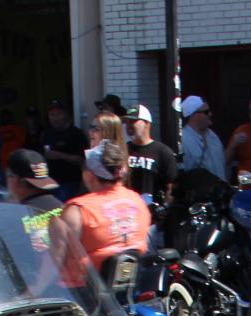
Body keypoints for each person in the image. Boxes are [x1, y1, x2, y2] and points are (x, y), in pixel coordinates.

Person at [63, 141, 151, 285]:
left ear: (89, 176)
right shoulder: (138, 202)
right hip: (130, 287)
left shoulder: (79, 210)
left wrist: (34, 287)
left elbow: (55, 259)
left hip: (82, 292)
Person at [124, 103, 178, 216]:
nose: (128, 125)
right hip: (126, 214)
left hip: (152, 216)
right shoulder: (122, 150)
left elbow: (171, 188)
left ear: (146, 123)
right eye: (127, 122)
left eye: (133, 121)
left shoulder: (163, 152)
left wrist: (163, 212)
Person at [36, 100, 89, 196]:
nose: (55, 118)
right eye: (52, 115)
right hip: (48, 184)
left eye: (59, 114)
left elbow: (83, 161)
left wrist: (61, 156)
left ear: (66, 115)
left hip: (70, 183)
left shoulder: (76, 134)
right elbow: (39, 159)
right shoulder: (46, 134)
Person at [175, 95, 226, 181]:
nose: (210, 114)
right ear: (194, 115)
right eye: (206, 112)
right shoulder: (183, 140)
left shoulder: (213, 136)